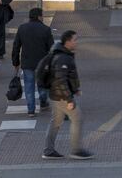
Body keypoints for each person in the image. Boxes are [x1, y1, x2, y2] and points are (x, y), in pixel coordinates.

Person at [42, 30, 94, 160]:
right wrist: (69, 99)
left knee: (56, 122)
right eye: (75, 40)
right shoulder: (63, 58)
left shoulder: (63, 53)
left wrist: (75, 89)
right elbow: (61, 80)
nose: (76, 42)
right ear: (68, 41)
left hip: (55, 94)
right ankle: (76, 150)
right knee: (78, 118)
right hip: (61, 96)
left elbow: (66, 77)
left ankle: (48, 150)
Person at [12, 8, 54, 117]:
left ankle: (31, 110)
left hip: (27, 63)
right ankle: (43, 101)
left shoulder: (22, 28)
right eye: (42, 15)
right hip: (42, 63)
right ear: (39, 17)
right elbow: (52, 48)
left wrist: (15, 62)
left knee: (29, 86)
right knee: (42, 84)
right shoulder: (46, 29)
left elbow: (16, 47)